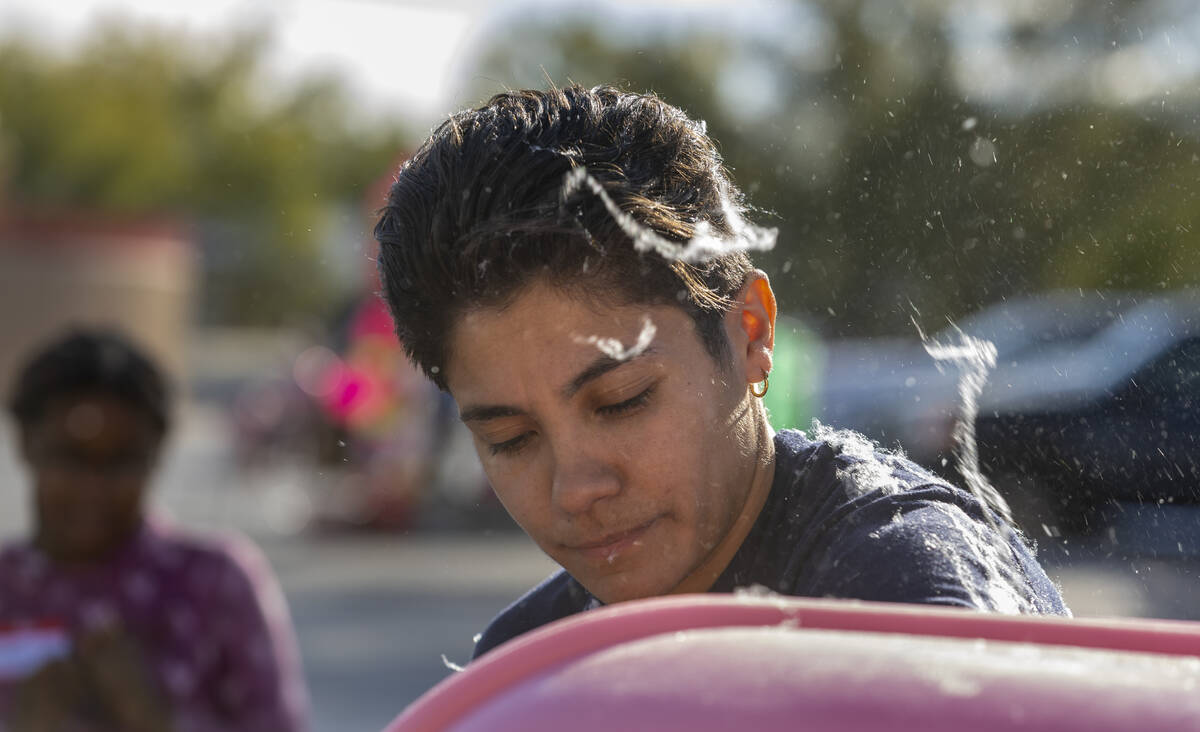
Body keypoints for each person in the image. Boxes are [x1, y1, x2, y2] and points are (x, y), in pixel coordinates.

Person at [372, 85, 1069, 661]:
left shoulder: (903, 604)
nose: (576, 488)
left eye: (621, 400)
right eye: (512, 439)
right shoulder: (530, 665)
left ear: (750, 333)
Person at [0, 329, 309, 731]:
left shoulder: (214, 585)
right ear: (26, 444)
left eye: (119, 461)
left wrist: (153, 719)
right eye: (70, 457)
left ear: (156, 453)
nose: (92, 486)